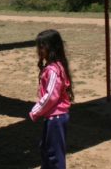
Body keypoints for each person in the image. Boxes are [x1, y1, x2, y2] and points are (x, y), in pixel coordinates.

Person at [29, 29, 74, 169]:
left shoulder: (53, 70)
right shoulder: (54, 66)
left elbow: (50, 97)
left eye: (42, 47)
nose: (39, 50)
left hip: (56, 118)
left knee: (54, 155)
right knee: (46, 149)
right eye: (38, 47)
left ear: (52, 48)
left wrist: (35, 111)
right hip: (53, 117)